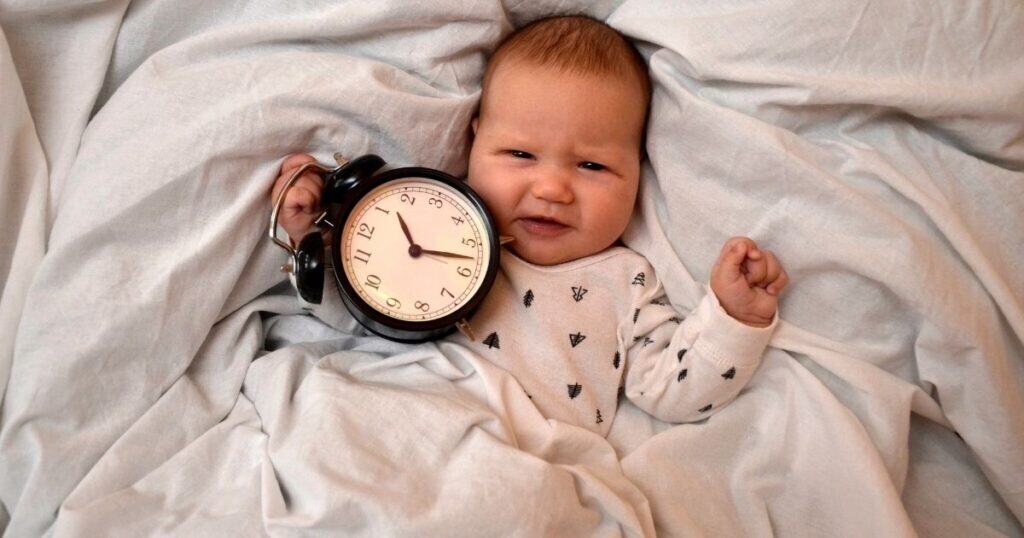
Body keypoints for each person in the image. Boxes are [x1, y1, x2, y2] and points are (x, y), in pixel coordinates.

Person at [270, 15, 788, 436]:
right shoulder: (433, 225)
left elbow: (674, 395)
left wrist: (734, 321)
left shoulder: (626, 281)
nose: (551, 189)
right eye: (520, 154)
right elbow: (355, 314)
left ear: (639, 171)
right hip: (392, 417)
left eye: (592, 166)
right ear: (473, 143)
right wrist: (307, 238)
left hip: (519, 453)